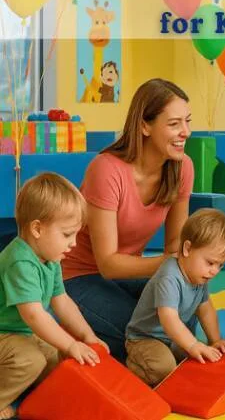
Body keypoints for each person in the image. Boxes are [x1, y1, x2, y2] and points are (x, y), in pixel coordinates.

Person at [63, 79, 194, 362]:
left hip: (130, 271)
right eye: (174, 124)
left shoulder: (182, 167)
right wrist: (172, 263)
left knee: (183, 311)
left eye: (187, 121)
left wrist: (188, 266)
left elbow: (175, 243)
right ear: (145, 126)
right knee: (147, 332)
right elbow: (107, 264)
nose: (185, 132)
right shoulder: (107, 169)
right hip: (78, 277)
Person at [0, 174, 108, 420]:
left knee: (57, 357)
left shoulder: (50, 258)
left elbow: (62, 301)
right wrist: (70, 343)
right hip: (5, 332)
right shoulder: (20, 261)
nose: (73, 244)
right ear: (37, 229)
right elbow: (35, 316)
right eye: (67, 234)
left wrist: (86, 336)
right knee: (30, 360)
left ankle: (40, 397)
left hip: (19, 332)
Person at [125, 209, 225, 386]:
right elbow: (169, 319)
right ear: (187, 249)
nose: (214, 271)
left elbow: (205, 309)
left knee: (198, 360)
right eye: (210, 262)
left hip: (172, 339)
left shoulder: (198, 276)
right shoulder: (169, 276)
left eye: (220, 265)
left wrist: (214, 340)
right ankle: (134, 365)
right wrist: (193, 345)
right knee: (164, 368)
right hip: (145, 339)